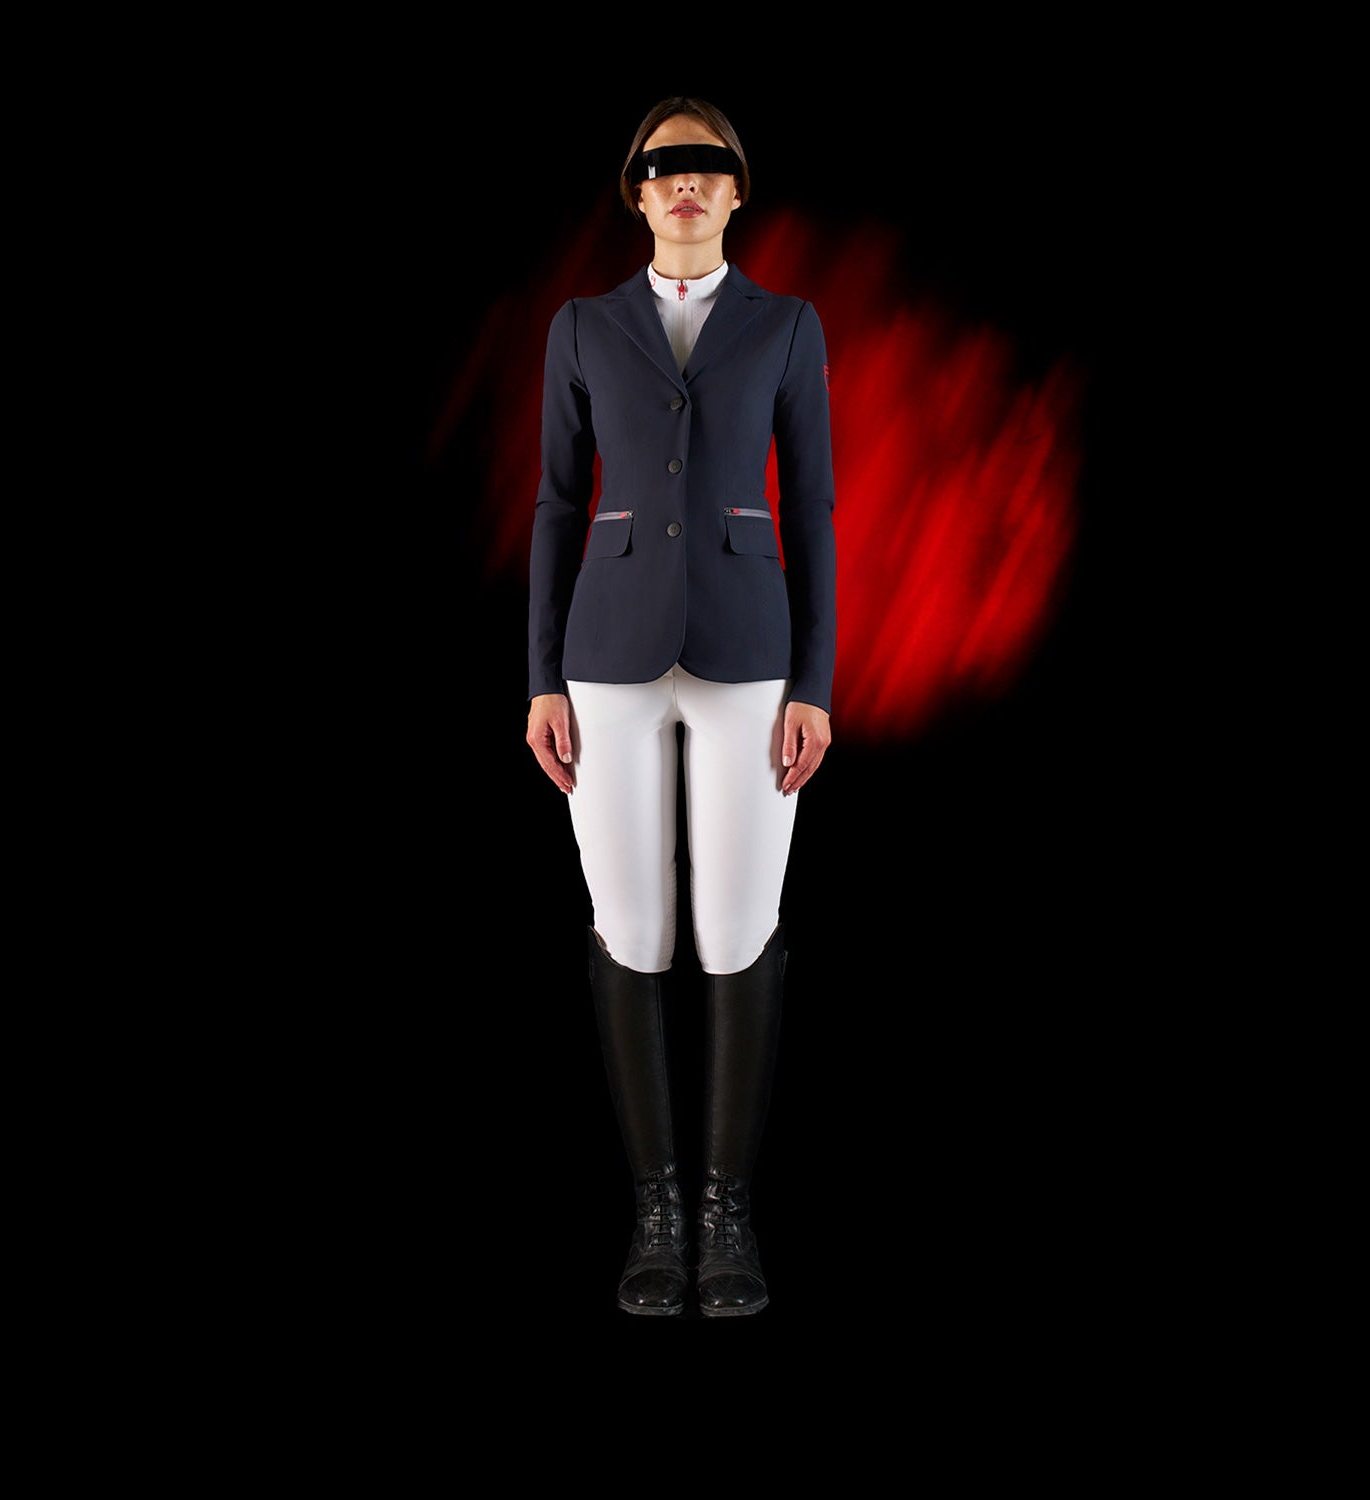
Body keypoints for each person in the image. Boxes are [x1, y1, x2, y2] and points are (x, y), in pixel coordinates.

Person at [525, 96, 836, 1317]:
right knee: (633, 928)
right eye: (664, 167)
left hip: (750, 654)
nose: (686, 181)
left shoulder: (788, 325)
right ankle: (657, 1209)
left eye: (707, 164)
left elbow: (812, 505)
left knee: (739, 929)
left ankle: (727, 1210)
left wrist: (815, 681)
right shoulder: (582, 326)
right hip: (606, 659)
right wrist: (540, 675)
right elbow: (558, 501)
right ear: (638, 193)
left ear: (737, 190)